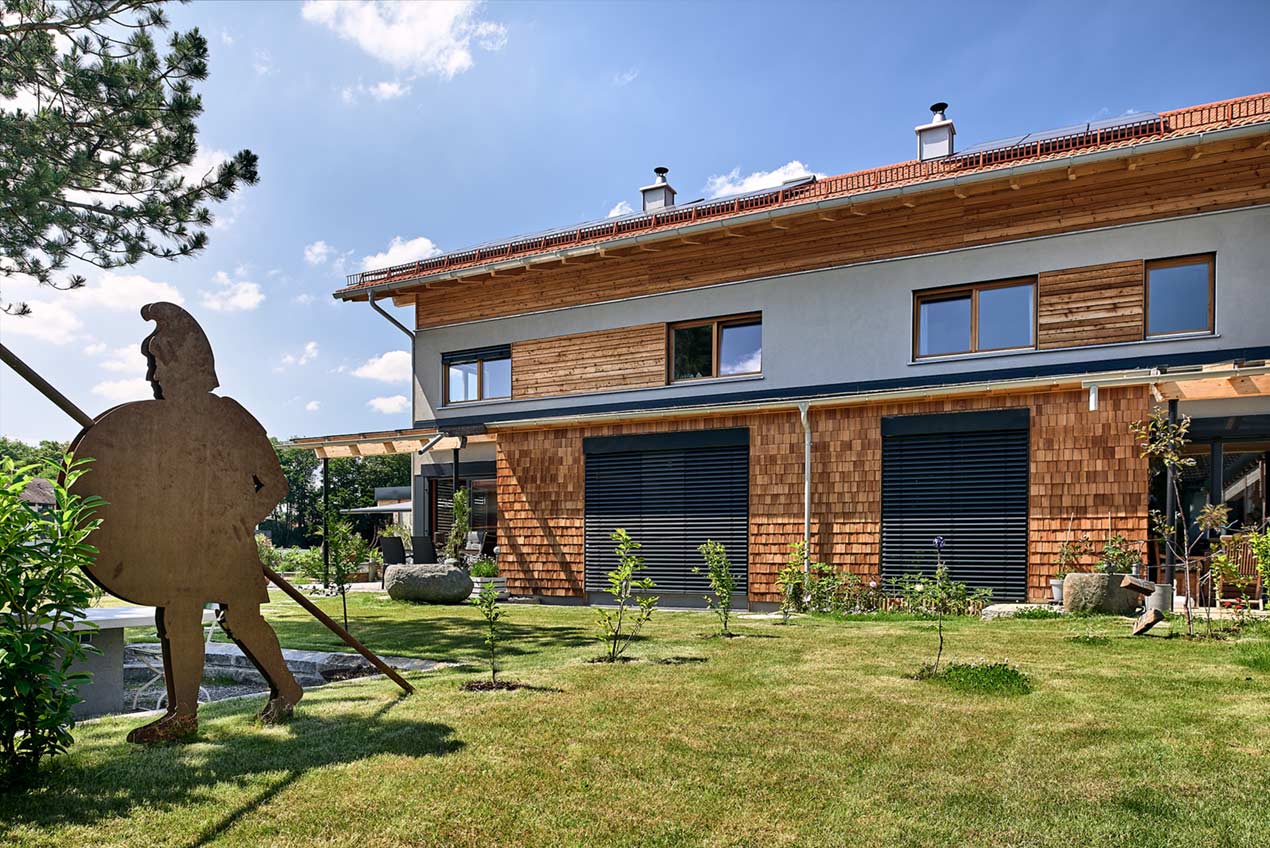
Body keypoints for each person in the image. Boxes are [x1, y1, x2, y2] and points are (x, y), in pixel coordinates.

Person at [69, 302, 302, 742]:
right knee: (179, 613)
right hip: (184, 545)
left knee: (242, 619)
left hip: (225, 542)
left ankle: (286, 689)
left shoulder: (229, 416)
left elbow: (274, 483)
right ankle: (185, 715)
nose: (152, 376)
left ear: (185, 365)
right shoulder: (154, 427)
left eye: (158, 364)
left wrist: (242, 518)